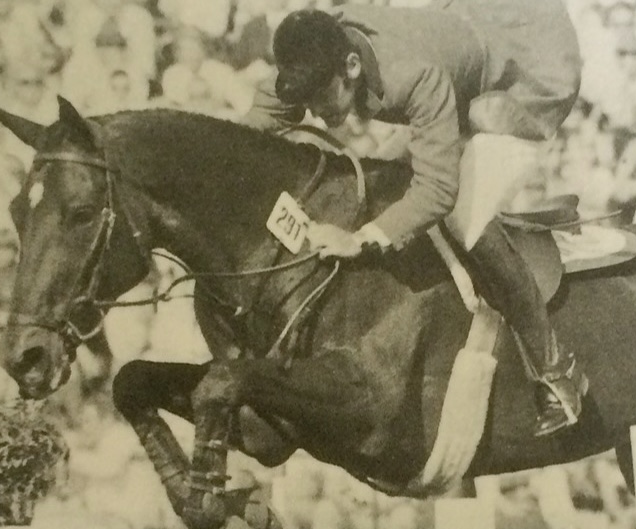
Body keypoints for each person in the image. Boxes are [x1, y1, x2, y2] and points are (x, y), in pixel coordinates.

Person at [241, 3, 585, 437]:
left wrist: (363, 238)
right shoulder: (317, 48)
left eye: (321, 96)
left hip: (527, 75)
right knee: (381, 174)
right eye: (304, 96)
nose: (315, 112)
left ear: (351, 65)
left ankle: (557, 372)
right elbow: (255, 124)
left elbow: (438, 191)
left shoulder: (411, 76)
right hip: (464, 57)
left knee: (465, 217)